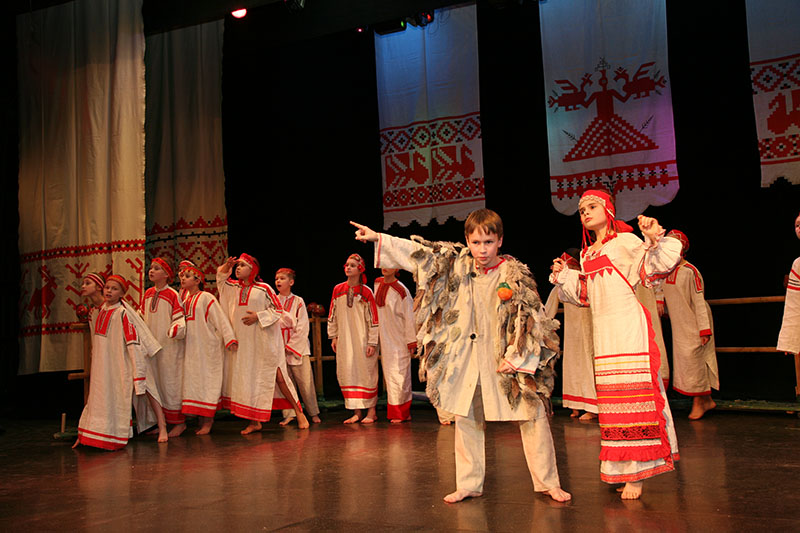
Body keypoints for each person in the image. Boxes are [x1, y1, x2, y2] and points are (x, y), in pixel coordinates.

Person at [351, 211, 571, 504]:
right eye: (476, 242)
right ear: (467, 240)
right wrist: (379, 238)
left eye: (488, 242)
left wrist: (518, 355)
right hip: (468, 356)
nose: (482, 250)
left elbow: (531, 318)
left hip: (504, 357)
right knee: (466, 417)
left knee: (532, 414)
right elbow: (420, 254)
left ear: (500, 241)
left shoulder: (514, 274)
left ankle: (548, 482)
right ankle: (468, 483)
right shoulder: (455, 265)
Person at [550, 189, 682, 500]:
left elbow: (653, 267)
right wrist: (566, 276)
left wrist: (652, 237)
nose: (585, 212)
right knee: (613, 404)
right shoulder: (587, 254)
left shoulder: (626, 241)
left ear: (608, 210)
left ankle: (639, 471)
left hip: (627, 327)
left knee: (633, 398)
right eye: (582, 209)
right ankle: (625, 469)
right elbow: (586, 295)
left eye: (592, 206)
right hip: (604, 331)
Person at [217, 255, 309, 433]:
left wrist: (258, 316)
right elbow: (220, 280)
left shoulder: (263, 288)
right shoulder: (233, 287)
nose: (238, 268)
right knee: (249, 379)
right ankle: (254, 421)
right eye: (237, 265)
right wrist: (227, 266)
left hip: (264, 341)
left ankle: (299, 412)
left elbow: (277, 310)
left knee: (279, 377)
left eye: (242, 265)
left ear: (252, 269)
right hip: (245, 343)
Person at [73, 275, 159, 450]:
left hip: (121, 362)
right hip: (102, 364)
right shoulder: (97, 312)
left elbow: (134, 340)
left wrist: (137, 369)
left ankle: (118, 434)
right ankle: (89, 435)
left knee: (126, 395)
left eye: (114, 289)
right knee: (99, 397)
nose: (109, 291)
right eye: (108, 288)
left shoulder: (122, 312)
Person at [658, 230, 719, 420]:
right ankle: (706, 399)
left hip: (694, 321)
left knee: (694, 359)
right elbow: (661, 293)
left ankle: (700, 401)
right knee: (685, 362)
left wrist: (704, 328)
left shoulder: (690, 271)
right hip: (679, 324)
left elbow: (699, 301)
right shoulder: (664, 272)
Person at [179, 261, 238, 435]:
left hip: (207, 348)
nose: (183, 279)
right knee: (196, 383)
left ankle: (208, 420)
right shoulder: (185, 300)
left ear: (197, 280)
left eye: (187, 276)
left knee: (207, 382)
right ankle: (200, 418)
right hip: (192, 348)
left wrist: (229, 338)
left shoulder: (206, 297)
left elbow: (219, 318)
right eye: (182, 276)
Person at [544, 250, 597, 420]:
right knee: (573, 365)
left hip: (590, 330)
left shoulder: (588, 281)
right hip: (573, 333)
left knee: (589, 364)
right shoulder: (562, 284)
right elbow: (548, 309)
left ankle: (593, 407)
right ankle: (575, 404)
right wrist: (544, 325)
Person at [328, 254, 380, 424]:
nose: (348, 268)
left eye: (352, 265)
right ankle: (356, 411)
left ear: (360, 269)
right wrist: (334, 336)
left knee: (367, 372)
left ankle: (371, 411)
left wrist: (372, 341)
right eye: (346, 265)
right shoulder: (338, 289)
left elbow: (373, 318)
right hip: (345, 338)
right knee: (348, 371)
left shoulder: (366, 292)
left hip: (363, 338)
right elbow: (333, 314)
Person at [141, 258, 187, 440]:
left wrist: (175, 329)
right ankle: (159, 422)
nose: (151, 271)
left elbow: (179, 319)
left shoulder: (172, 294)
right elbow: (142, 316)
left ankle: (179, 423)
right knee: (155, 384)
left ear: (167, 274)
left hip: (168, 348)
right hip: (151, 347)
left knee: (169, 384)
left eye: (157, 268)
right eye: (151, 268)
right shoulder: (147, 294)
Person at [275, 268, 322, 425]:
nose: (278, 281)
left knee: (305, 382)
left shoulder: (298, 301)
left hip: (297, 347)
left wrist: (291, 346)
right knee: (285, 382)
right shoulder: (273, 301)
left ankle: (313, 412)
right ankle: (290, 413)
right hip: (279, 345)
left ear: (291, 282)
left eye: (282, 278)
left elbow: (302, 326)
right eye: (276, 279)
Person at [374, 268, 417, 423]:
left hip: (399, 337)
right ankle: (397, 411)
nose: (386, 267)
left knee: (400, 375)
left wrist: (411, 340)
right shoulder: (377, 283)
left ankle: (402, 413)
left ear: (397, 268)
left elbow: (409, 316)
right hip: (385, 336)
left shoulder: (401, 291)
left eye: (390, 264)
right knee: (390, 375)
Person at [777, 212, 800, 391]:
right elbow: (794, 304)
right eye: (797, 225)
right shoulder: (798, 264)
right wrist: (791, 338)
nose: (799, 228)